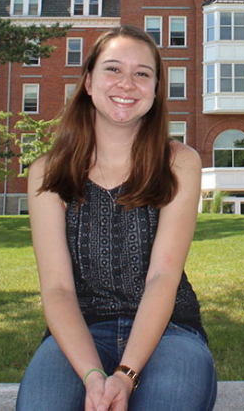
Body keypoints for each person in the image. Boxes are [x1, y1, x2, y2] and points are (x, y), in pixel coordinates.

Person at [16, 25, 217, 411]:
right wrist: (93, 376)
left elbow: (163, 276)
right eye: (113, 69)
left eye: (142, 73)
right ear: (88, 81)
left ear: (156, 91)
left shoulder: (179, 163)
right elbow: (57, 289)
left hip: (169, 332)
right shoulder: (47, 173)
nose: (127, 83)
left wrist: (126, 375)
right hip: (80, 333)